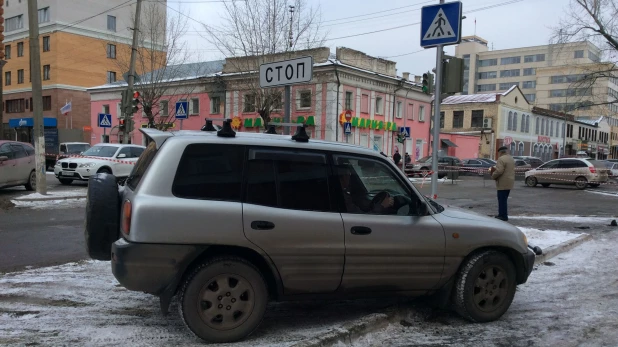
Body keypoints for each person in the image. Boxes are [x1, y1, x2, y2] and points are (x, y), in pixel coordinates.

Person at [490, 146, 515, 221]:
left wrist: (493, 175)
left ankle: (503, 215)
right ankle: (503, 214)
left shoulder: (501, 159)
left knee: (501, 200)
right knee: (504, 199)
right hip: (510, 181)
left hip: (502, 182)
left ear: (500, 152)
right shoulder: (511, 158)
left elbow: (499, 171)